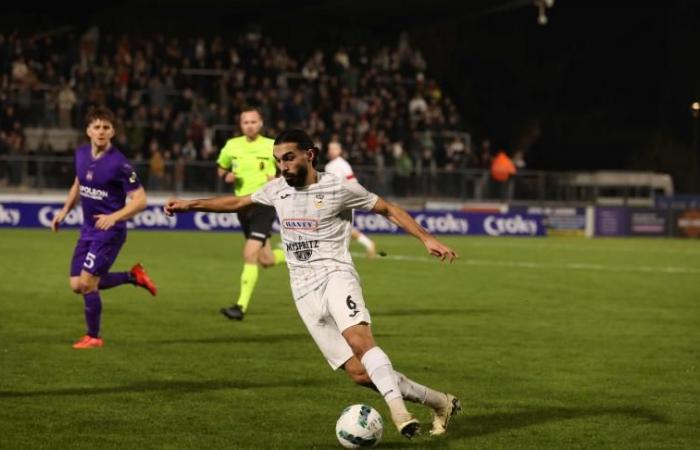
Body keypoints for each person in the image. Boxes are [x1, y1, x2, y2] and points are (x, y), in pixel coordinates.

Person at [164, 130, 461, 438]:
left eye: (289, 158)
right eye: (278, 160)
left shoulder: (339, 188)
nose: (283, 166)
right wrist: (191, 204)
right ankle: (440, 402)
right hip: (303, 291)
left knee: (361, 341)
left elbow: (388, 209)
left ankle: (399, 412)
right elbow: (238, 202)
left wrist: (427, 238)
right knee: (359, 373)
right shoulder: (277, 189)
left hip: (336, 275)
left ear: (310, 154)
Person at [51, 107, 157, 349]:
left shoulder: (120, 164)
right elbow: (78, 182)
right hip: (88, 229)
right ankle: (133, 276)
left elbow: (141, 200)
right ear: (88, 130)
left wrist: (115, 216)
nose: (101, 131)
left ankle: (94, 336)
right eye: (97, 127)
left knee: (88, 282)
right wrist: (65, 210)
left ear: (113, 132)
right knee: (77, 284)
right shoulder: (80, 154)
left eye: (106, 127)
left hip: (110, 232)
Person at [216, 107, 286, 320]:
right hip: (241, 207)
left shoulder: (272, 145)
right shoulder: (232, 145)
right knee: (265, 259)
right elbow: (221, 169)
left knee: (249, 253)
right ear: (240, 124)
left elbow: (289, 171)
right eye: (246, 122)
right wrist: (227, 176)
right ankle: (297, 254)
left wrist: (278, 179)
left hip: (264, 205)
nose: (250, 125)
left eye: (253, 122)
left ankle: (240, 307)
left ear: (261, 123)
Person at [324, 141, 377, 258]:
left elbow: (353, 182)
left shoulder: (343, 165)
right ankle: (368, 244)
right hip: (333, 202)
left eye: (333, 148)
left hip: (343, 201)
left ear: (339, 151)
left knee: (340, 228)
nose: (331, 151)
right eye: (329, 149)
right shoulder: (328, 166)